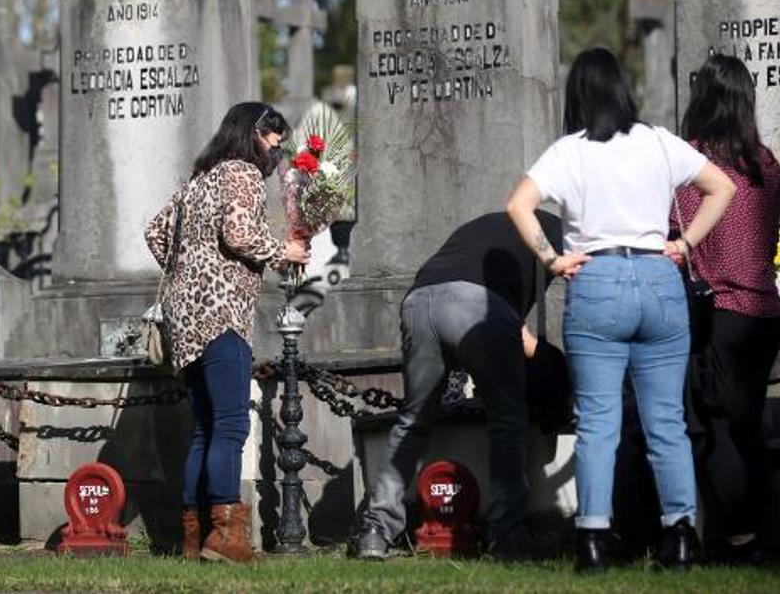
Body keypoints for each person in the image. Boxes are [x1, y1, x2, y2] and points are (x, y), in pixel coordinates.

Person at [505, 48, 736, 573]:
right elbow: (723, 186)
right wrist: (685, 244)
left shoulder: (570, 150)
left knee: (598, 422)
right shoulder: (658, 142)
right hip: (658, 278)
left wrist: (554, 259)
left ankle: (591, 539)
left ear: (578, 95)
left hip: (597, 280)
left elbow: (518, 204)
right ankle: (678, 535)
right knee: (666, 421)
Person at [145, 102, 309, 563]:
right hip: (222, 312)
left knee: (206, 427)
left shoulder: (196, 182)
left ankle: (194, 539)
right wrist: (284, 254)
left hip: (184, 315)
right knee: (232, 423)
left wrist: (188, 273)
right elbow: (238, 235)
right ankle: (226, 535)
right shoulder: (241, 172)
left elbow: (155, 233)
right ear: (251, 132)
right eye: (271, 136)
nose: (276, 147)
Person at [353, 211, 565, 562]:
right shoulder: (558, 233)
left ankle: (376, 530)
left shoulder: (488, 225)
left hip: (419, 300)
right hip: (476, 305)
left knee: (413, 420)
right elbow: (521, 335)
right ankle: (506, 533)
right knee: (507, 417)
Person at [674, 54, 780, 564]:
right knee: (747, 425)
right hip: (764, 311)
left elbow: (681, 238)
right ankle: (761, 528)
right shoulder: (766, 163)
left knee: (713, 426)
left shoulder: (693, 165)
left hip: (719, 312)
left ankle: (739, 538)